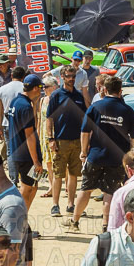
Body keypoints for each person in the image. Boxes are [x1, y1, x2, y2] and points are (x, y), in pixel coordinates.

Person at [66, 75, 134, 232]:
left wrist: (83, 152)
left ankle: (74, 221)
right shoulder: (127, 110)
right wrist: (131, 157)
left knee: (86, 189)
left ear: (104, 89)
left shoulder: (96, 107)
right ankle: (106, 226)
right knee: (109, 192)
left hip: (95, 155)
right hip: (117, 158)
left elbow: (85, 131)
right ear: (120, 91)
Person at [46, 65, 87, 217]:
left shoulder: (78, 95)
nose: (71, 79)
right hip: (60, 141)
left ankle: (71, 204)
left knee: (74, 174)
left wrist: (85, 141)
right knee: (58, 174)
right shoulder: (56, 95)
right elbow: (49, 118)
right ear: (62, 77)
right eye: (68, 76)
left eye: (73, 76)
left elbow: (84, 118)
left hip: (76, 141)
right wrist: (51, 138)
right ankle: (55, 205)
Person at [6, 74, 45, 208]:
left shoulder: (16, 101)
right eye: (40, 88)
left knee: (34, 186)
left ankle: (23, 220)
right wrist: (36, 161)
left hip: (17, 151)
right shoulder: (25, 106)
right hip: (26, 155)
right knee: (27, 188)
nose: (41, 90)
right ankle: (19, 218)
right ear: (35, 88)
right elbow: (29, 135)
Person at [0, 66, 27, 180]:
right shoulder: (26, 88)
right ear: (23, 77)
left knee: (10, 151)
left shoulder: (2, 89)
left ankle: (14, 179)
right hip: (24, 123)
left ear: (12, 76)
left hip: (7, 123)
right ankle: (25, 177)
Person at [38, 74, 59, 203]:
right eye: (43, 86)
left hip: (55, 134)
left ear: (54, 87)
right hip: (44, 134)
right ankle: (51, 187)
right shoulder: (42, 100)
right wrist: (38, 133)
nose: (43, 89)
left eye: (46, 87)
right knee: (48, 162)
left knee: (59, 161)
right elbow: (40, 118)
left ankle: (63, 186)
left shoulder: (57, 100)